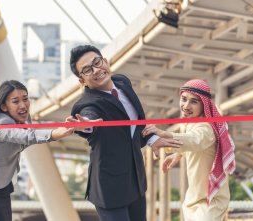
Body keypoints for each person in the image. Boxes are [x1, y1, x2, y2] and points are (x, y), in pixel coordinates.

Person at [68, 45, 182, 221]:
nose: (97, 70)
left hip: (135, 181)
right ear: (82, 81)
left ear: (105, 61)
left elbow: (135, 124)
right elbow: (89, 120)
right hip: (109, 189)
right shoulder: (87, 104)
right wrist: (86, 125)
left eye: (97, 62)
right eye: (88, 70)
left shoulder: (122, 82)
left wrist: (152, 139)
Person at [0, 80, 75, 221]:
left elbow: (27, 137)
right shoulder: (1, 126)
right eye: (15, 101)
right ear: (4, 107)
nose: (23, 105)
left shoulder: (23, 119)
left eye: (25, 99)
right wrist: (54, 134)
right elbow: (27, 137)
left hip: (3, 184)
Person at [142, 79, 236, 221]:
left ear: (204, 105)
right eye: (184, 99)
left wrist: (164, 133)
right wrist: (178, 155)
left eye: (194, 101)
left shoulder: (207, 126)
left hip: (211, 201)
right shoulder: (192, 124)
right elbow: (194, 144)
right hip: (193, 201)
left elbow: (196, 140)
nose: (186, 106)